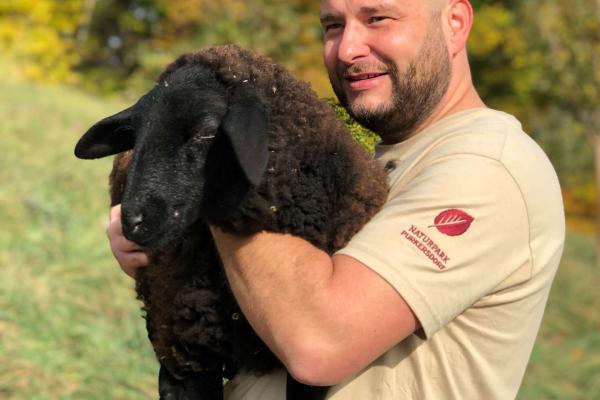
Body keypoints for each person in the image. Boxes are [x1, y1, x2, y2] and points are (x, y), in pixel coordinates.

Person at [107, 0, 565, 398]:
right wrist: (172, 243)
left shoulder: (489, 167)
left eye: (379, 17)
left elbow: (318, 341)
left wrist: (213, 174)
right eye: (333, 25)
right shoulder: (362, 161)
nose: (348, 49)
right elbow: (268, 301)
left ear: (456, 22)